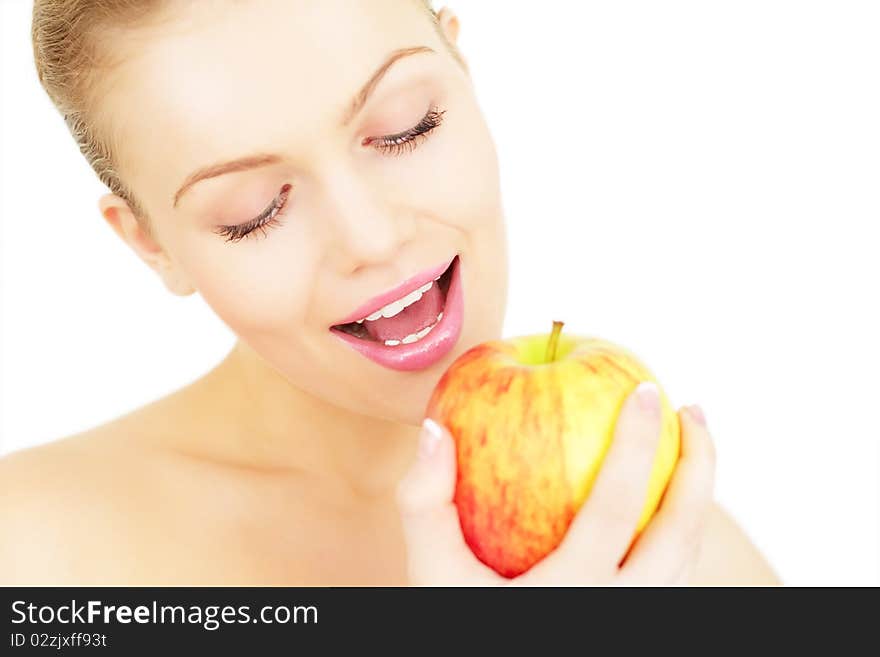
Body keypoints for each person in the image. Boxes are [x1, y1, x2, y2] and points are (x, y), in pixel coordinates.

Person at [0, 0, 778, 585]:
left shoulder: (667, 557)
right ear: (150, 243)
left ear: (462, 74)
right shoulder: (34, 558)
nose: (371, 238)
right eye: (256, 211)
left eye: (407, 127)